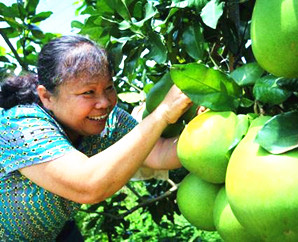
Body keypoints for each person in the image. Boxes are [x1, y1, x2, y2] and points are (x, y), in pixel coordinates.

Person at [0, 35, 193, 241]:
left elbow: (160, 153)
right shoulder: (19, 125)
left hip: (55, 232)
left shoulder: (111, 120)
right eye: (88, 92)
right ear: (47, 97)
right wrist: (162, 114)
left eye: (109, 87)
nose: (104, 102)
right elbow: (88, 184)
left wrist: (208, 125)